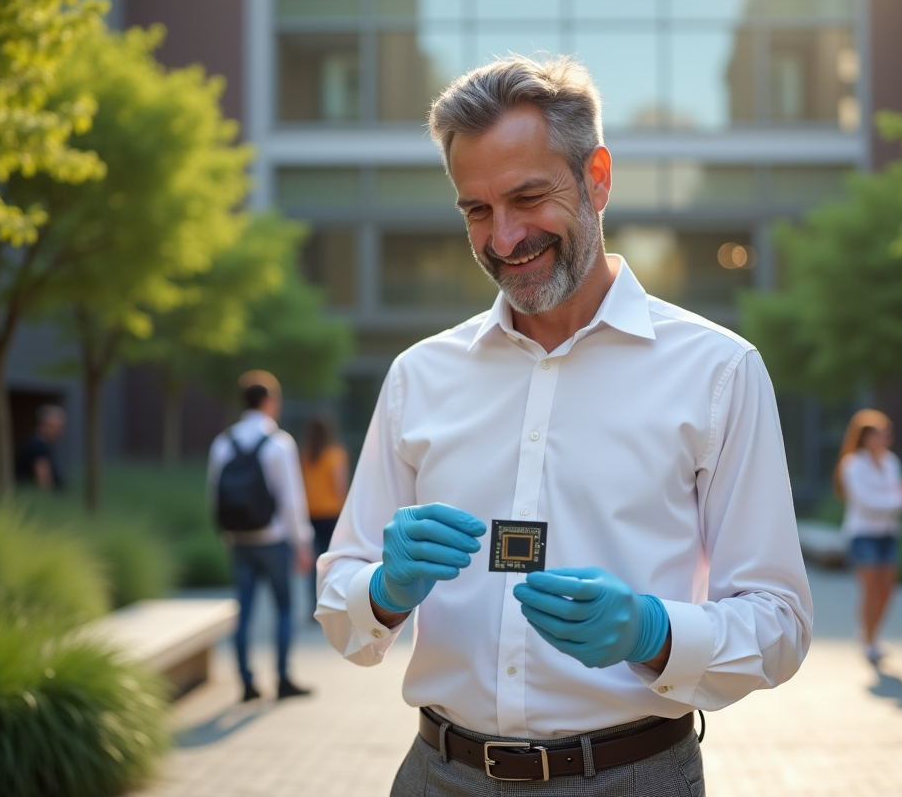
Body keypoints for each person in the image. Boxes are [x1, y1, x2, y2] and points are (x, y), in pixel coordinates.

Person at [316, 56, 812, 796]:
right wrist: (384, 590)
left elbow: (780, 624)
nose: (504, 238)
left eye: (528, 197)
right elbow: (338, 609)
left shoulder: (720, 373)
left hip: (633, 778)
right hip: (438, 775)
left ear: (599, 178)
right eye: (476, 210)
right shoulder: (419, 376)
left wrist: (654, 631)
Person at [208, 370, 314, 702]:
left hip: (239, 538)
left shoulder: (224, 441)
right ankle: (282, 679)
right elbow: (292, 499)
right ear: (269, 401)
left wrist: (226, 532)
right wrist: (302, 542)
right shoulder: (279, 442)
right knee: (284, 608)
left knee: (246, 610)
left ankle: (246, 683)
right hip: (273, 539)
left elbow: (214, 491)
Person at [836, 409, 902, 665]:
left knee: (887, 590)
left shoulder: (891, 461)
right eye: (876, 435)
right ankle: (869, 640)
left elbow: (901, 503)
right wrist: (900, 496)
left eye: (885, 434)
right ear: (863, 437)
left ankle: (871, 633)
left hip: (889, 533)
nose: (882, 439)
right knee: (871, 590)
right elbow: (867, 503)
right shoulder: (852, 464)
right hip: (864, 535)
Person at [301, 414, 349, 616]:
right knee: (333, 560)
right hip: (331, 514)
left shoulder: (305, 456)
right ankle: (333, 603)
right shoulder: (336, 454)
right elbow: (339, 486)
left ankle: (314, 603)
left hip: (311, 513)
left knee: (314, 561)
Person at [15, 405, 66, 491]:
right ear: (46, 425)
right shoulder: (38, 446)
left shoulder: (40, 443)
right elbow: (43, 479)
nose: (61, 431)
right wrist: (47, 500)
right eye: (58, 427)